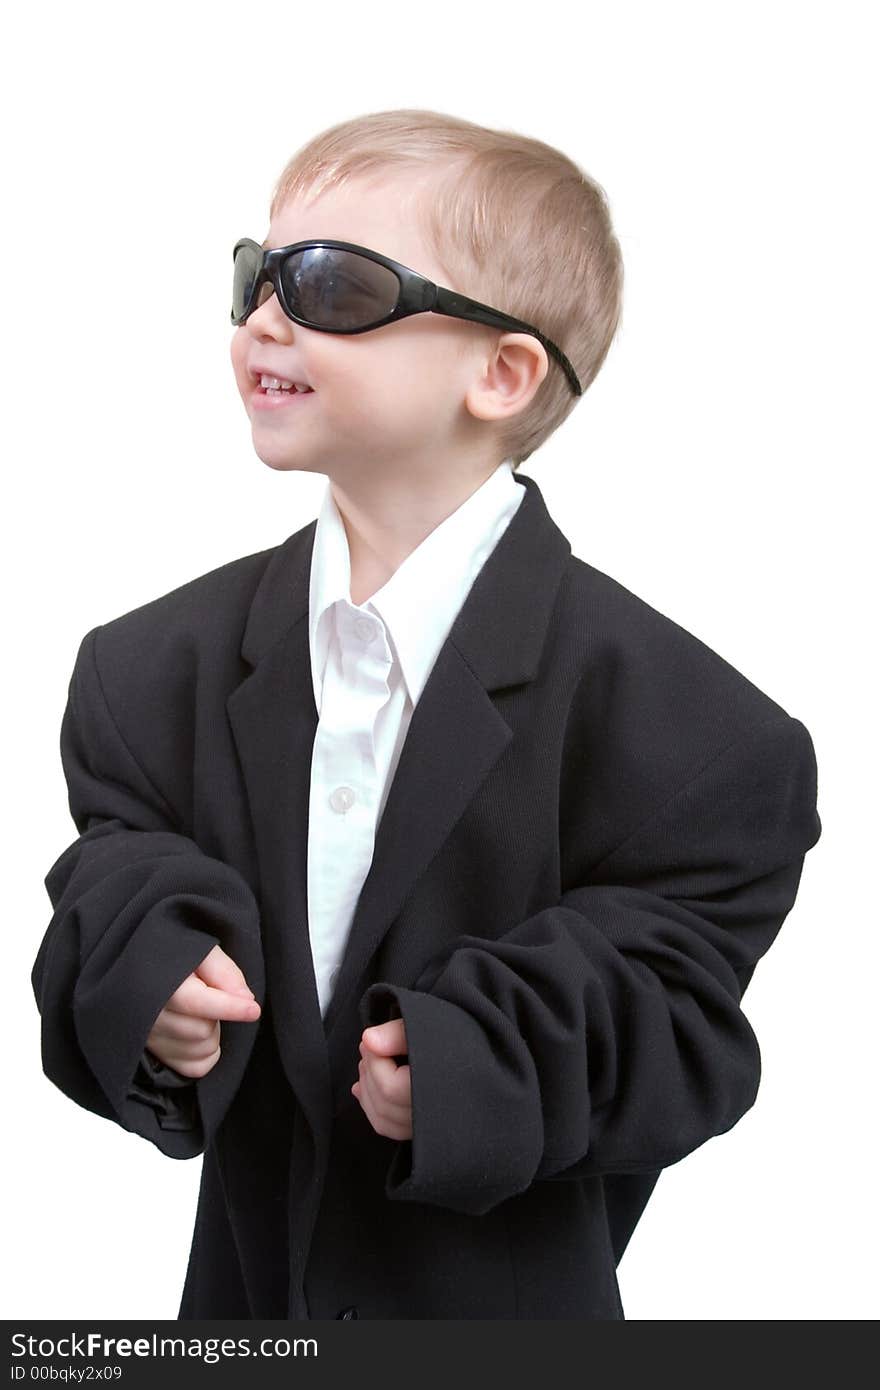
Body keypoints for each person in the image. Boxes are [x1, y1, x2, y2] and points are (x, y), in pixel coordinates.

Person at [32, 108, 822, 1321]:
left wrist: (481, 1065)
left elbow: (678, 1025)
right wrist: (148, 983)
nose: (262, 317)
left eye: (332, 283)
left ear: (500, 372)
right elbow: (113, 870)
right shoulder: (141, 676)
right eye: (258, 274)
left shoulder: (699, 739)